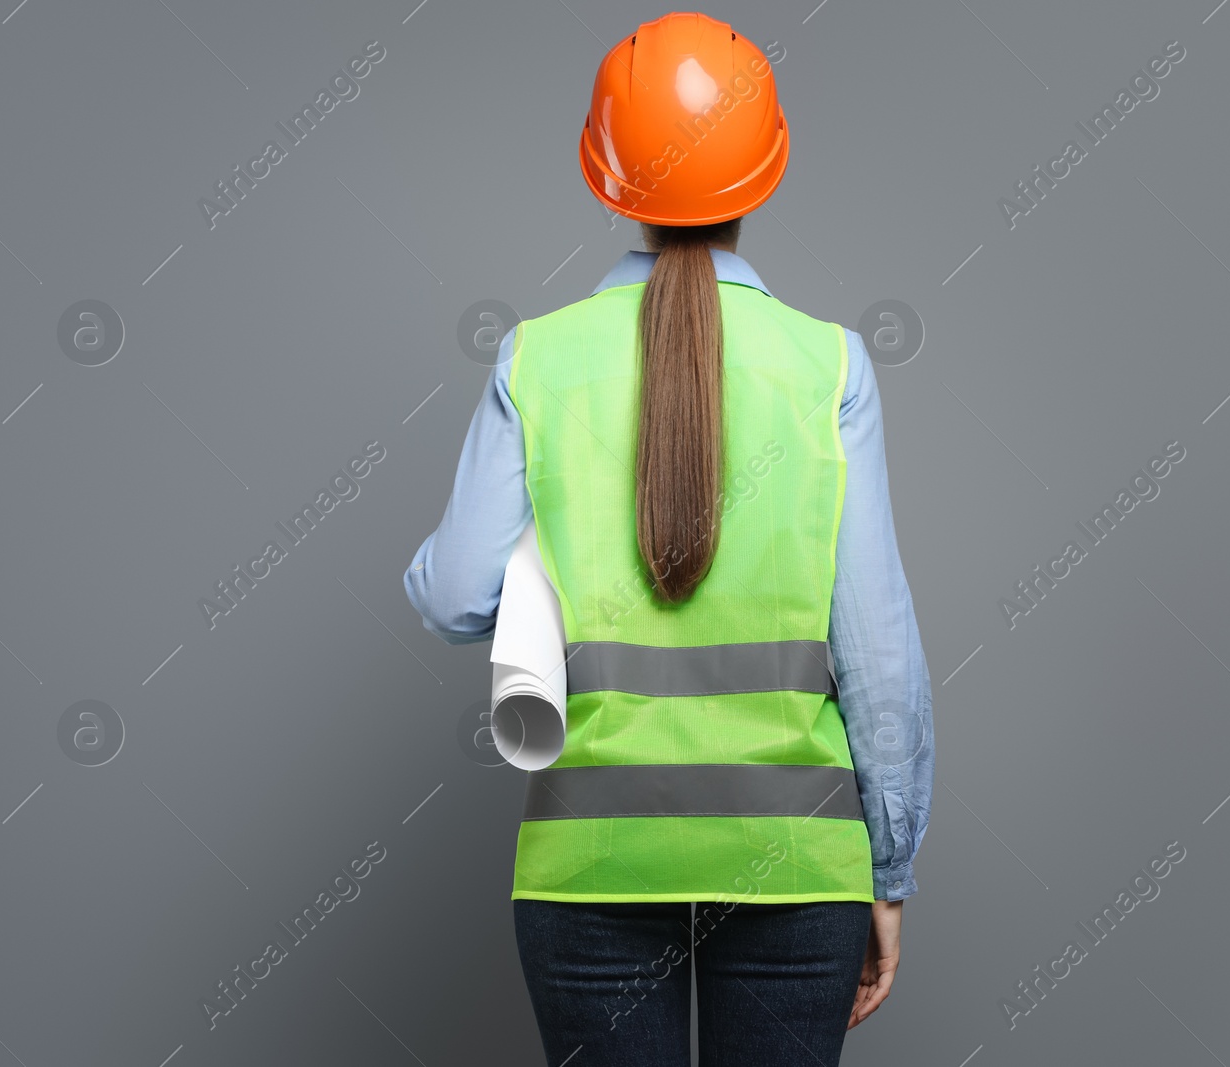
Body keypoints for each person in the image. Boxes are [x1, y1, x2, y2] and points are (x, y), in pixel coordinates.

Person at [404, 12, 933, 1066]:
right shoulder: (828, 365)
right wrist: (888, 871)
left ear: (607, 175)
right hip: (795, 864)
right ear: (763, 172)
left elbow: (453, 593)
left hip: (590, 863)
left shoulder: (537, 359)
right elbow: (879, 656)